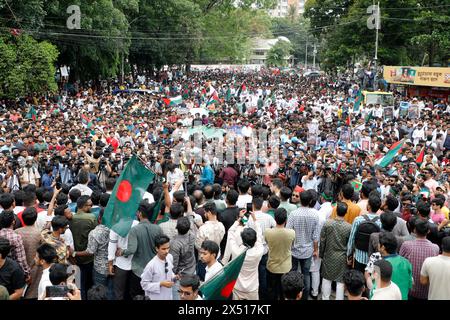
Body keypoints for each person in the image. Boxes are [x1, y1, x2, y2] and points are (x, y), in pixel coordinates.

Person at [115, 201, 163, 299]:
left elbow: (132, 249)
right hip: (154, 270)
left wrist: (122, 252)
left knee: (136, 296)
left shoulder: (135, 230)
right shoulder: (158, 229)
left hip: (139, 271)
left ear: (140, 214)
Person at [286, 190, 320, 300]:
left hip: (294, 250)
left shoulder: (293, 214)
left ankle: (293, 295)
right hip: (308, 251)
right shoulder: (315, 215)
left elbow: (288, 232)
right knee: (306, 274)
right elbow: (316, 236)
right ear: (310, 201)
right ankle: (304, 297)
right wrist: (315, 250)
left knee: (293, 273)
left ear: (300, 199)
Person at [399, 219, 439, 300]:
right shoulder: (435, 248)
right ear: (428, 231)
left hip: (409, 290)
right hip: (426, 291)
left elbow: (400, 264)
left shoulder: (406, 245)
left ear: (414, 230)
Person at [320, 202, 352, 300]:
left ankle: (325, 298)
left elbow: (322, 240)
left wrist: (321, 253)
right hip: (342, 257)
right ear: (346, 212)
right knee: (340, 282)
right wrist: (349, 257)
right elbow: (350, 245)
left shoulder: (327, 223)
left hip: (329, 255)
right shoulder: (349, 227)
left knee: (326, 279)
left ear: (336, 210)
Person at [229, 209, 264, 300]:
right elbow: (259, 235)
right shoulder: (258, 252)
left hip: (238, 286)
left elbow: (230, 231)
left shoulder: (236, 252)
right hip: (252, 287)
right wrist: (255, 220)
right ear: (255, 240)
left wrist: (239, 218)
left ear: (242, 239)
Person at [246, 196, 276, 300]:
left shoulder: (250, 218)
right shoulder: (268, 217)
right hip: (265, 250)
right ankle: (263, 295)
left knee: (253, 274)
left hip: (253, 250)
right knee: (263, 274)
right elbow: (275, 227)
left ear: (253, 206)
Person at [69, 195, 97, 299]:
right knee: (89, 284)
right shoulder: (91, 218)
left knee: (78, 285)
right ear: (84, 206)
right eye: (90, 205)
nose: (91, 207)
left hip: (73, 258)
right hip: (88, 257)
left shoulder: (71, 217)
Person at [265, 208, 295, 300]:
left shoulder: (268, 232)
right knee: (284, 292)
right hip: (286, 267)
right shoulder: (291, 233)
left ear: (275, 219)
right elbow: (292, 245)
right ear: (286, 220)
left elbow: (267, 243)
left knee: (271, 290)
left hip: (272, 266)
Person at [347, 194, 383, 272]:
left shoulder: (358, 220)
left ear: (369, 206)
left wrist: (349, 255)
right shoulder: (381, 222)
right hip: (373, 260)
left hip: (358, 257)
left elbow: (352, 239)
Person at [15, 207, 43, 299]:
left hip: (19, 268)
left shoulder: (16, 232)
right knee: (32, 293)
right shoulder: (39, 234)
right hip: (34, 267)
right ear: (35, 219)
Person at [195, 202, 225, 281]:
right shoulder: (221, 226)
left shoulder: (203, 228)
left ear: (208, 212)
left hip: (204, 259)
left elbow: (198, 246)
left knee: (203, 281)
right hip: (216, 256)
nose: (204, 214)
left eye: (205, 212)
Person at [140, 234, 174, 300]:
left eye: (168, 248)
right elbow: (144, 285)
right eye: (163, 249)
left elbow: (169, 272)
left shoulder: (169, 257)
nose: (167, 251)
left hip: (168, 296)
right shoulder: (151, 265)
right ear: (156, 249)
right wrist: (160, 284)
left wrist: (175, 277)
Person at [170, 217, 196, 300]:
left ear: (177, 227)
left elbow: (174, 264)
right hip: (192, 270)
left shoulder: (175, 243)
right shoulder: (192, 235)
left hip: (181, 277)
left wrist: (173, 276)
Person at [0, 210, 30, 279]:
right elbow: (20, 259)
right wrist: (26, 273)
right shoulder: (16, 237)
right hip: (12, 271)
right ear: (13, 222)